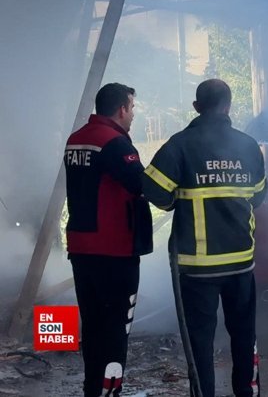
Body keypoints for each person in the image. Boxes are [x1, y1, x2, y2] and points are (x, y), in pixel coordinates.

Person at [142, 79, 267, 397]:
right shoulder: (248, 146)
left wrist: (174, 200)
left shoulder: (181, 144)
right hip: (241, 263)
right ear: (229, 106)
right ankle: (247, 393)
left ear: (197, 107)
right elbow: (258, 195)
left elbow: (153, 188)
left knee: (200, 344)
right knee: (244, 336)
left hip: (197, 269)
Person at [64, 83, 153, 397]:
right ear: (122, 108)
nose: (133, 115)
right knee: (116, 330)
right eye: (132, 108)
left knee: (93, 326)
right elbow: (143, 185)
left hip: (82, 249)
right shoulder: (115, 143)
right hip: (115, 251)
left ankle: (93, 390)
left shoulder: (76, 140)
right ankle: (108, 392)